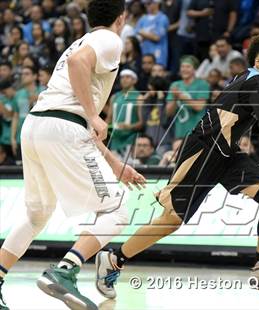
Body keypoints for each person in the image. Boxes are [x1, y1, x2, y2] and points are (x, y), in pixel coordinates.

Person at [95, 33, 259, 297]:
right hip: (204, 150)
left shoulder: (248, 78)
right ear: (258, 62)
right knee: (171, 221)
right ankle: (114, 260)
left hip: (226, 152)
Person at [0, 2, 146, 309]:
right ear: (121, 18)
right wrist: (94, 115)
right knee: (117, 209)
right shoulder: (109, 38)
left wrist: (113, 162)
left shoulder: (80, 41)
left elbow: (74, 115)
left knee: (36, 215)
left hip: (37, 124)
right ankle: (64, 270)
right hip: (64, 128)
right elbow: (78, 67)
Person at [107, 69, 142, 156]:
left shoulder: (139, 97)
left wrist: (129, 126)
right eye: (122, 77)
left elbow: (142, 123)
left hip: (131, 139)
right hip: (115, 140)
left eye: (128, 77)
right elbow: (109, 118)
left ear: (135, 80)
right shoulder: (114, 97)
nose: (124, 79)